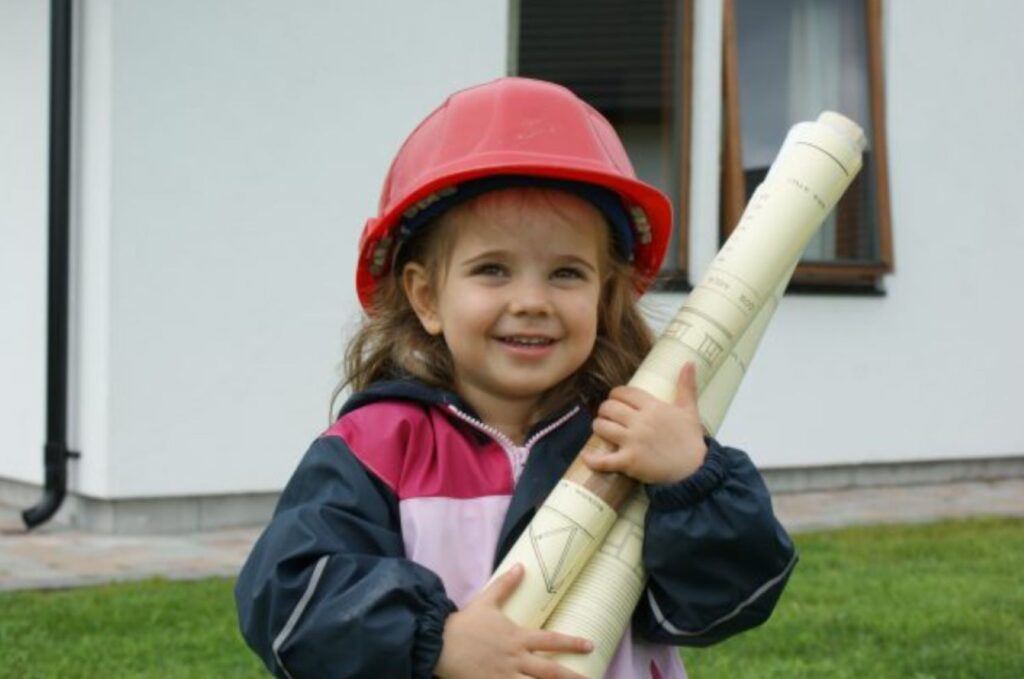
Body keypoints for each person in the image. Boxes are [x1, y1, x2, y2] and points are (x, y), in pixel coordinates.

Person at [235, 77, 797, 679]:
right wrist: (437, 642)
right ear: (426, 297)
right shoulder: (377, 448)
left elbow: (725, 604)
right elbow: (288, 598)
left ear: (605, 295)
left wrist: (692, 479)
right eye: (493, 269)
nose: (531, 300)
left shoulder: (632, 436)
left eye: (566, 274)